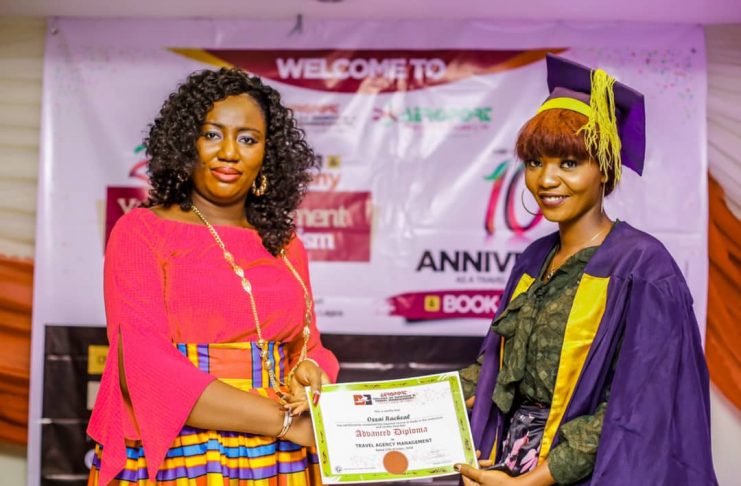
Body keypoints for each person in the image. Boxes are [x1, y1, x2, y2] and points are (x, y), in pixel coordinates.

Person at [454, 55, 717, 485]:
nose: (546, 180)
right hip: (509, 465)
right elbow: (493, 372)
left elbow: (638, 405)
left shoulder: (643, 268)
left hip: (586, 475)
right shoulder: (533, 260)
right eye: (535, 162)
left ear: (605, 168)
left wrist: (533, 481)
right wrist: (379, 414)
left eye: (569, 163)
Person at [87, 68, 339, 485]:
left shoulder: (286, 244)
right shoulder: (142, 232)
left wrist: (311, 369)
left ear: (267, 154)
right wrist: (285, 423)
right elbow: (143, 368)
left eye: (248, 139)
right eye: (212, 135)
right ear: (186, 142)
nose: (229, 152)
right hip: (186, 449)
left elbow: (309, 345)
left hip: (282, 457)